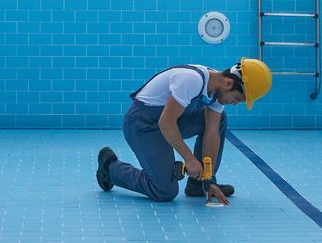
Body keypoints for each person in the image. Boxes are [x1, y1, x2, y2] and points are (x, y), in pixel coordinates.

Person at [96, 58, 272, 203]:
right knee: (164, 191)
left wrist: (208, 178)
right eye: (238, 99)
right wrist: (189, 159)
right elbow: (166, 123)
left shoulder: (217, 91)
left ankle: (199, 184)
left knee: (220, 120)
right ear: (228, 83)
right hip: (143, 124)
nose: (235, 103)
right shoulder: (192, 80)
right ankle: (111, 167)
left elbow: (211, 133)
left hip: (169, 121)